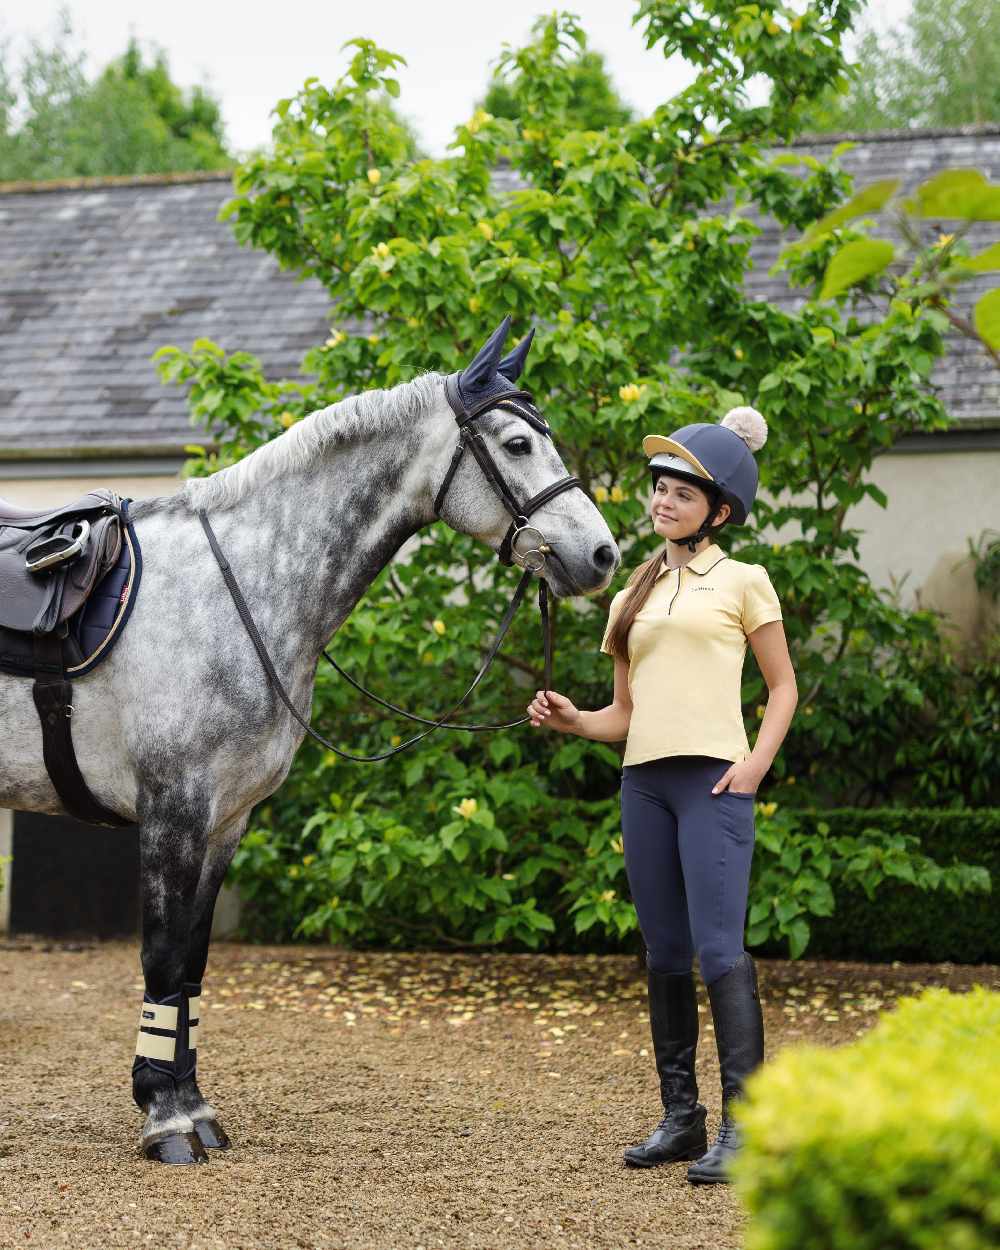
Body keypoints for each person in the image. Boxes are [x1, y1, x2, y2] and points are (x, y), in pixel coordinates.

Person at [526, 405, 797, 1185]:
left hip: (714, 782)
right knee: (666, 954)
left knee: (719, 952)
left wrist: (755, 766)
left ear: (719, 512)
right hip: (643, 785)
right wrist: (575, 721)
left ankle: (747, 1128)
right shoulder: (631, 596)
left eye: (682, 493)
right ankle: (683, 1118)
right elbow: (624, 715)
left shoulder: (744, 581)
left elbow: (783, 687)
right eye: (659, 489)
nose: (664, 501)